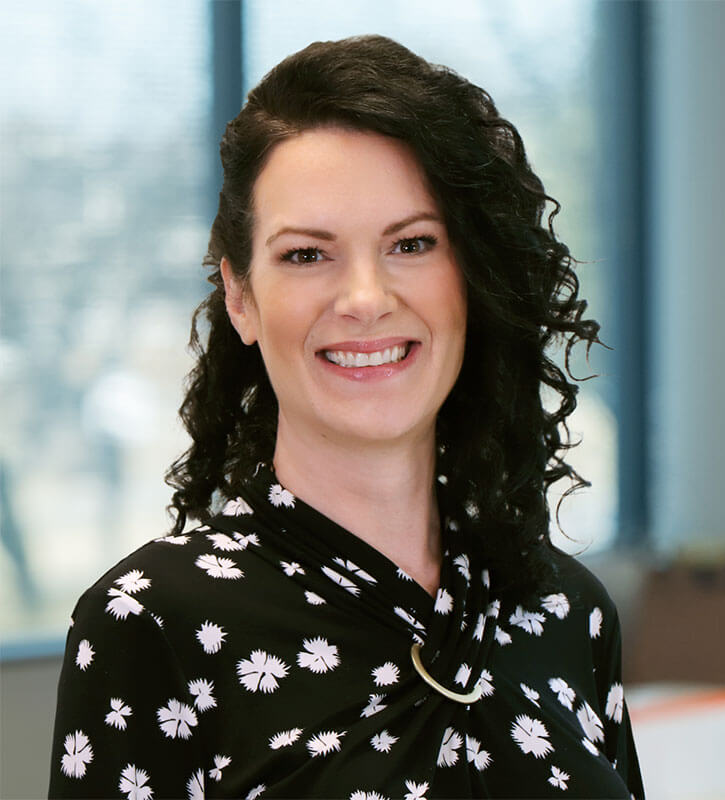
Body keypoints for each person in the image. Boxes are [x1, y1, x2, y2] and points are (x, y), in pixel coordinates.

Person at [49, 35, 643, 799]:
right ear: (240, 296)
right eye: (307, 255)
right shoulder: (149, 623)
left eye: (412, 243)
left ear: (471, 277)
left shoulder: (566, 608)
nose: (365, 298)